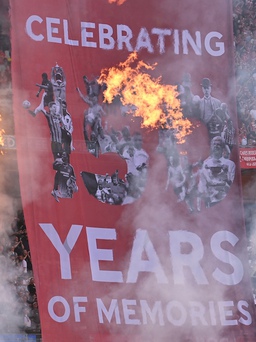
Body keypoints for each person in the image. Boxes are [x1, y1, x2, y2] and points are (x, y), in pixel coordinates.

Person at [198, 136, 236, 207]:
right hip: (210, 200)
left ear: (223, 148)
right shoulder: (206, 163)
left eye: (218, 144)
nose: (216, 146)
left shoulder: (230, 164)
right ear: (211, 147)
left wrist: (225, 175)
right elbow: (202, 182)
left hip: (225, 200)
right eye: (214, 144)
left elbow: (232, 183)